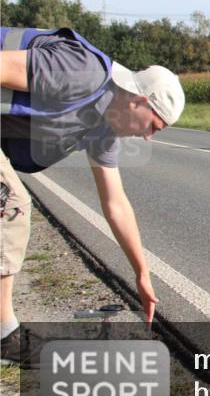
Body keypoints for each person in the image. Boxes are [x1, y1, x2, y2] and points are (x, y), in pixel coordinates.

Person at [0, 26, 185, 366]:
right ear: (140, 101)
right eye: (154, 126)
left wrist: (141, 273)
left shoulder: (104, 128)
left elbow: (115, 203)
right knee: (11, 205)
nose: (148, 138)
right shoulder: (83, 72)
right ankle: (5, 337)